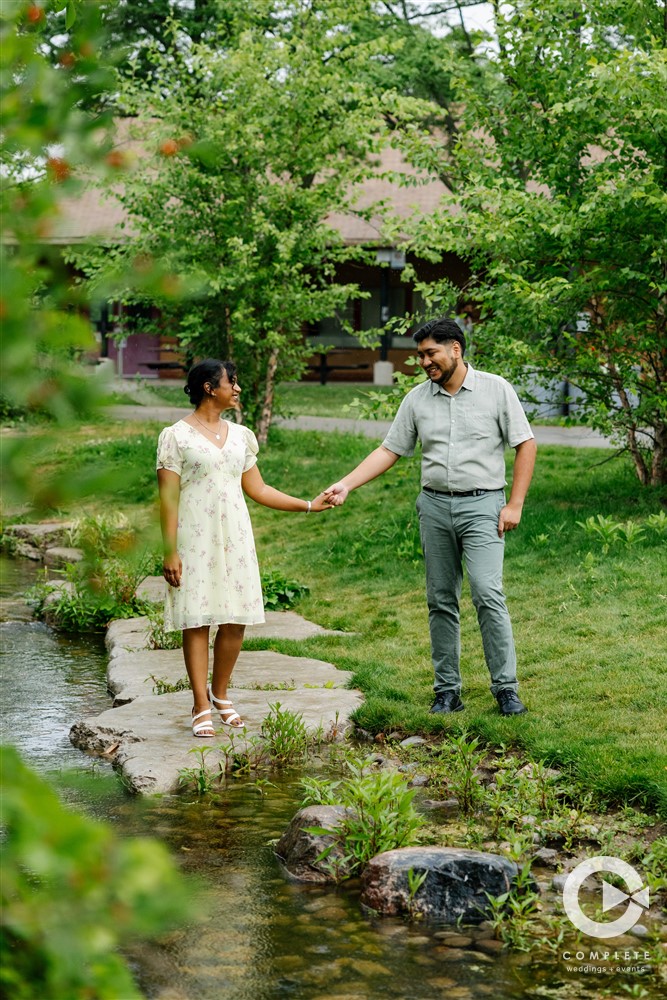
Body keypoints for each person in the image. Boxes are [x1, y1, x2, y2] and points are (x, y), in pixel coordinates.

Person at [323, 317, 537, 716]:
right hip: (435, 507)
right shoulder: (418, 399)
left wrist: (516, 504)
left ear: (455, 349)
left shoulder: (496, 390)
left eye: (430, 353)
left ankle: (506, 689)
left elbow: (525, 444)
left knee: (488, 594)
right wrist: (347, 483)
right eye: (419, 355)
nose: (423, 362)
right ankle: (447, 691)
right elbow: (390, 450)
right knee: (440, 600)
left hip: (483, 506)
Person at [156, 358, 331, 738]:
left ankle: (220, 695)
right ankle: (200, 703)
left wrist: (307, 504)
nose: (236, 389)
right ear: (208, 387)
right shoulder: (176, 436)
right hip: (194, 537)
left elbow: (259, 489)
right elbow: (167, 500)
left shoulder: (241, 435)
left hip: (235, 536)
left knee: (235, 619)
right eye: (230, 382)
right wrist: (170, 551)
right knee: (197, 619)